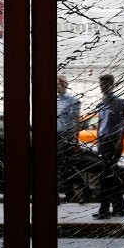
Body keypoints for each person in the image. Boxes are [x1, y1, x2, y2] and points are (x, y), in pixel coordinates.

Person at [93, 74, 124, 219]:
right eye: (101, 84)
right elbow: (101, 122)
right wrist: (98, 138)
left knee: (105, 177)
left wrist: (120, 141)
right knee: (112, 177)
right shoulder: (101, 103)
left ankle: (104, 210)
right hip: (103, 142)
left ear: (112, 85)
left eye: (106, 84)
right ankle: (120, 209)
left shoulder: (119, 102)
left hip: (114, 142)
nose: (103, 87)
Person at [56, 74, 83, 202]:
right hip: (56, 136)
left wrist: (76, 140)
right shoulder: (56, 100)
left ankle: (85, 189)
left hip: (67, 136)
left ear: (64, 85)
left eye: (59, 84)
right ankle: (68, 194)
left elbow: (77, 122)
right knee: (60, 166)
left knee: (68, 166)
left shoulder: (73, 101)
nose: (57, 87)